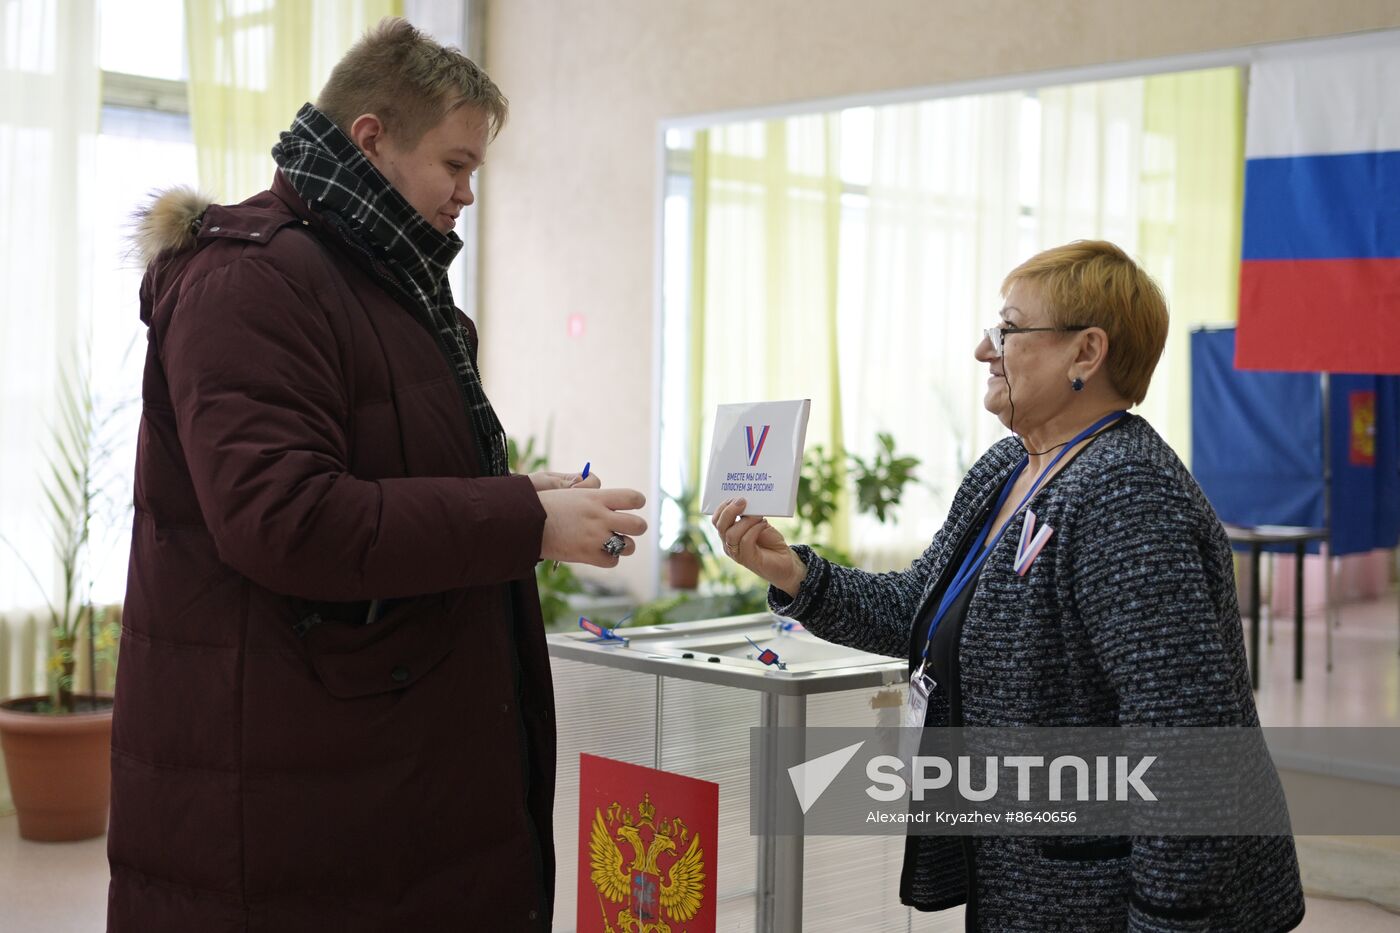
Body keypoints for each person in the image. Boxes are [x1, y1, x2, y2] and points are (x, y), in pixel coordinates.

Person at [109, 18, 645, 931]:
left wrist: (523, 496)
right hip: (298, 792)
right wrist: (520, 521)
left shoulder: (389, 283)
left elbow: (390, 477)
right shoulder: (251, 283)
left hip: (387, 770)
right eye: (455, 165)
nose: (468, 194)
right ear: (371, 138)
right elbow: (287, 518)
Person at [714, 241, 1305, 931]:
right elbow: (919, 605)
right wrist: (794, 572)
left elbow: (1186, 739)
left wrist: (1171, 916)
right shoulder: (1011, 465)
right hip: (1029, 873)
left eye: (1007, 329)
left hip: (1119, 898)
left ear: (1086, 353)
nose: (981, 349)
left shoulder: (1125, 493)